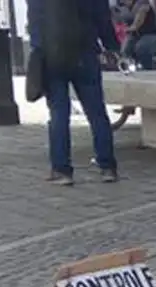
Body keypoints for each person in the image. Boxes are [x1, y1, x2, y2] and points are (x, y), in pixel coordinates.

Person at [27, 0, 121, 185]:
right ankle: (107, 167)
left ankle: (62, 170)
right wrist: (112, 47)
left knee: (59, 114)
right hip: (85, 54)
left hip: (53, 55)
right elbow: (103, 19)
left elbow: (35, 22)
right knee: (97, 113)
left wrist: (38, 50)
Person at [120, 0, 156, 71]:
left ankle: (148, 68)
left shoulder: (142, 3)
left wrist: (132, 27)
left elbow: (139, 19)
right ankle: (129, 67)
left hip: (151, 34)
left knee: (141, 47)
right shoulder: (123, 8)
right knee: (125, 49)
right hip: (135, 35)